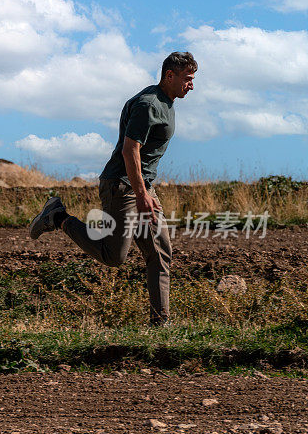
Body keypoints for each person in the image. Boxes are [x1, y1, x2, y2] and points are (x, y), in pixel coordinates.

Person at [29, 52, 198, 326]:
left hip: (142, 186)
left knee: (160, 252)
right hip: (123, 186)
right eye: (188, 79)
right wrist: (141, 194)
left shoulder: (166, 101)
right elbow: (130, 149)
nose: (191, 85)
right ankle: (57, 217)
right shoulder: (149, 104)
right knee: (113, 256)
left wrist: (146, 190)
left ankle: (161, 323)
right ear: (170, 75)